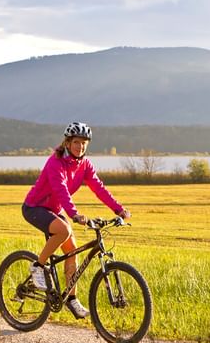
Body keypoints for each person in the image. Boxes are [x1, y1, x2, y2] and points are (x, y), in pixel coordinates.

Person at [21, 121, 130, 319]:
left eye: (84, 143)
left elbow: (99, 188)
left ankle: (71, 299)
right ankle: (37, 266)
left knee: (72, 251)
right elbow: (60, 189)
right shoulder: (56, 162)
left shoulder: (84, 165)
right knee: (63, 230)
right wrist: (74, 214)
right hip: (35, 207)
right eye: (77, 142)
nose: (80, 147)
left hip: (54, 210)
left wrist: (118, 209)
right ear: (68, 143)